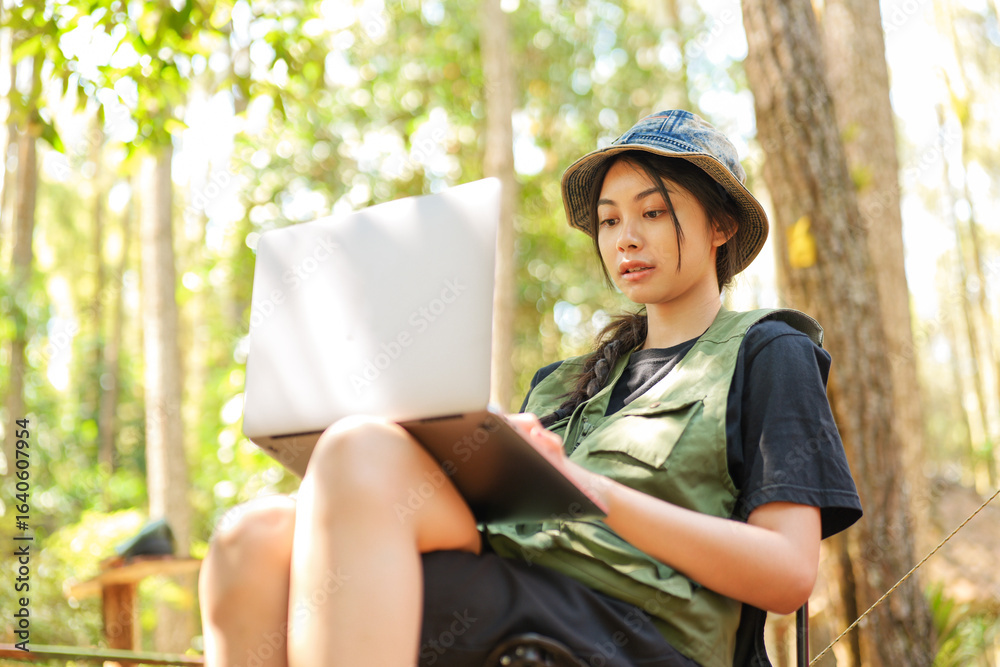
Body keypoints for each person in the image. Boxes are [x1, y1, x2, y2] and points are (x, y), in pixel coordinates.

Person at [199, 109, 862, 667]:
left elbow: (786, 572)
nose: (625, 237)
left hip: (640, 637)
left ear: (722, 228)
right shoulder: (563, 384)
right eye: (608, 221)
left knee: (358, 452)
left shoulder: (766, 351)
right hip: (519, 581)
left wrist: (592, 491)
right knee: (252, 537)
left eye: (653, 212)